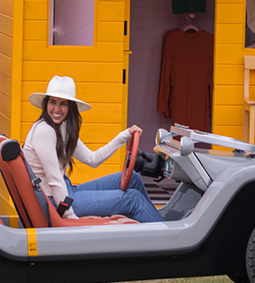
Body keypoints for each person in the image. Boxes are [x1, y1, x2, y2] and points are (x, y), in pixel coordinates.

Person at [21, 75, 165, 223]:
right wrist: (70, 218)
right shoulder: (43, 130)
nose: (57, 109)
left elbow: (92, 159)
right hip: (54, 200)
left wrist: (124, 135)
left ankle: (156, 221)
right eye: (53, 102)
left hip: (66, 191)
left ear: (70, 107)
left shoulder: (62, 128)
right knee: (133, 199)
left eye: (63, 104)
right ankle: (167, 237)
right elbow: (54, 180)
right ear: (46, 104)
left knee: (134, 177)